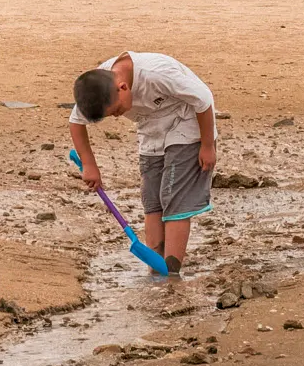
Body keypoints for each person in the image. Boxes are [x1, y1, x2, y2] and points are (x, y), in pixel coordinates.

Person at [70, 51, 216, 276]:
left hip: (187, 120)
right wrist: (89, 165)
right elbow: (76, 122)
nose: (117, 116)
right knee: (153, 197)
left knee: (174, 195)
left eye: (117, 110)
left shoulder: (156, 74)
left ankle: (171, 272)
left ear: (124, 88)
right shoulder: (97, 88)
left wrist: (207, 145)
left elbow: (204, 99)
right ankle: (156, 270)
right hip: (150, 129)